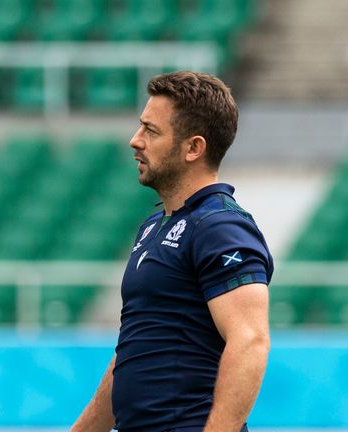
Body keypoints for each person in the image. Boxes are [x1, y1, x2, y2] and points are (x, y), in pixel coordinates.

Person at [72, 71, 273, 432]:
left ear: (193, 148)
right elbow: (135, 351)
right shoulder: (154, 226)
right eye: (140, 127)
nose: (135, 141)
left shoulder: (220, 226)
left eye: (151, 131)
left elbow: (250, 341)